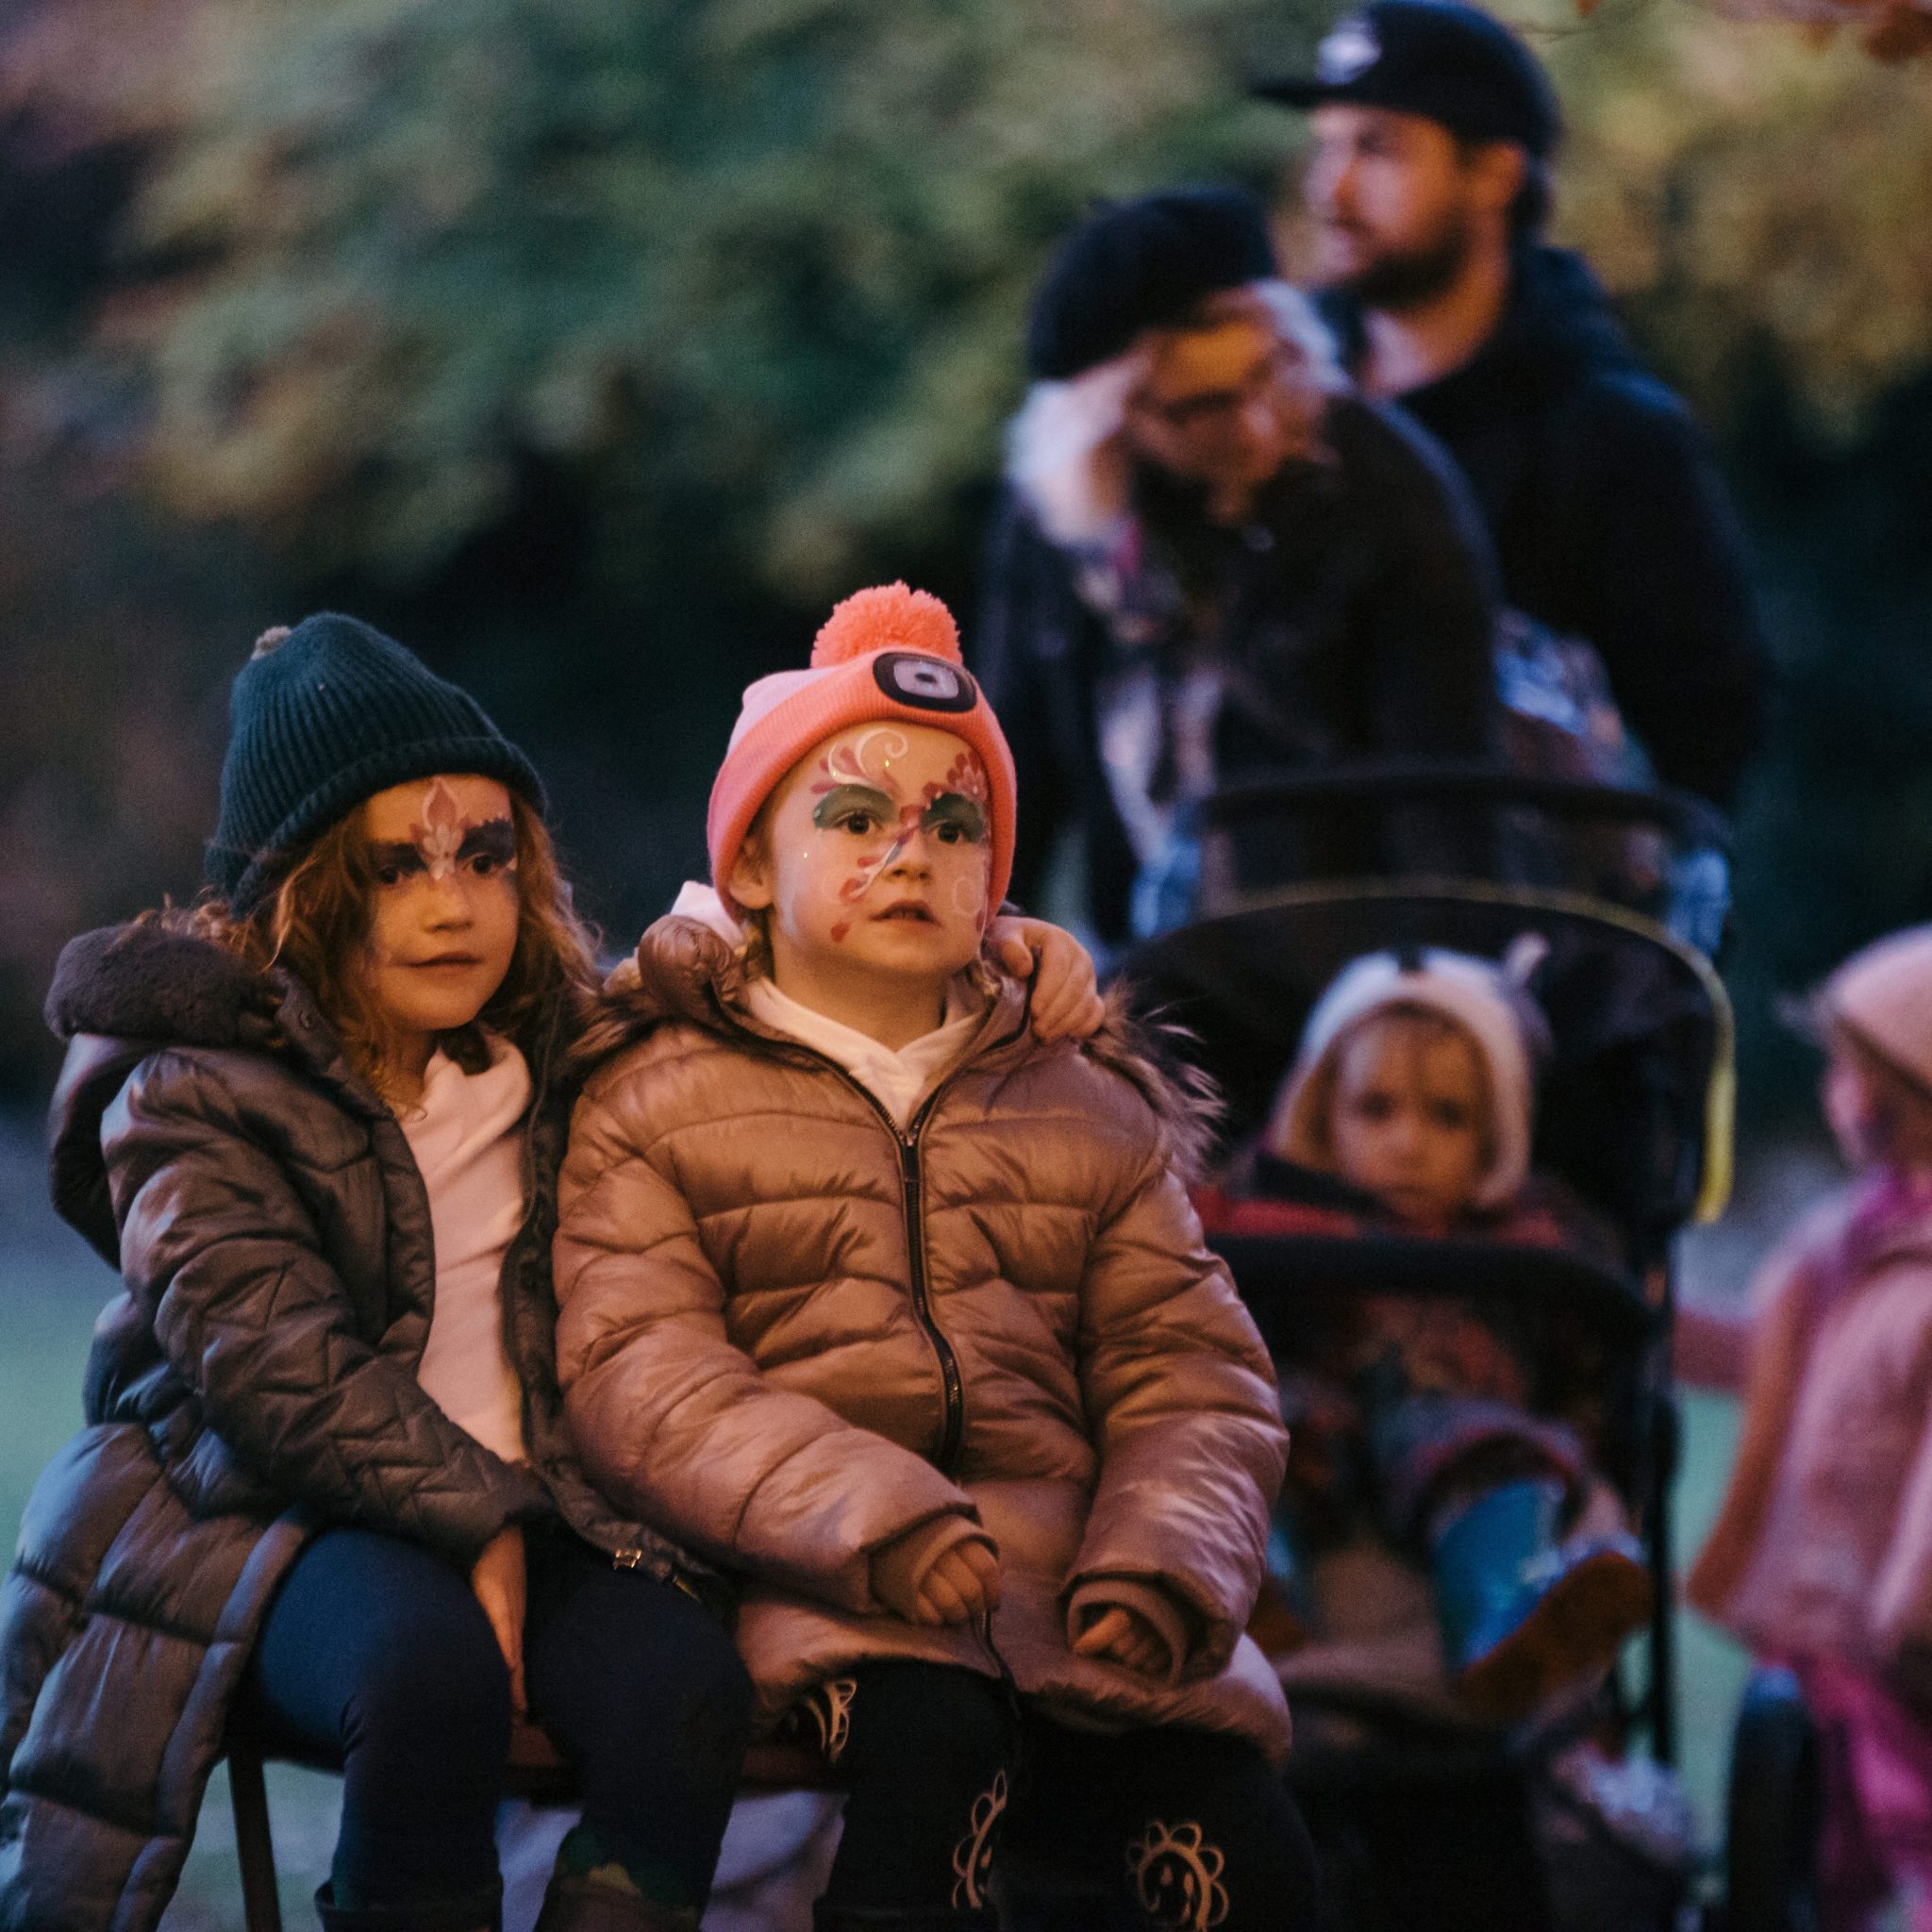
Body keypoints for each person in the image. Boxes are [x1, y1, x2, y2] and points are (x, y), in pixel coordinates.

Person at [0, 609, 1110, 1932]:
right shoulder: (194, 1096)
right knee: (430, 1677)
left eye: (483, 856)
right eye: (392, 868)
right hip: (264, 1519)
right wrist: (487, 1526)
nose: (450, 902)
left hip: (541, 1514)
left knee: (680, 1685)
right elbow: (276, 1369)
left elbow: (762, 964)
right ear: (297, 891)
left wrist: (1003, 955)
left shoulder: (565, 1046)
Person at [554, 583, 1319, 1931]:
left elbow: (1196, 1372)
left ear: (997, 882)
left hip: (1078, 1588)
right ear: (747, 869)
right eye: (853, 818)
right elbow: (643, 1369)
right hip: (826, 1578)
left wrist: (1162, 1561)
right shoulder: (658, 1094)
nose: (910, 853)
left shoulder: (1081, 1103)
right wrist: (871, 1515)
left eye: (954, 826)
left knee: (1238, 1838)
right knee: (937, 1756)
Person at [1258, 0, 1769, 809]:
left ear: (1494, 171)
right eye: (1328, 145)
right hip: (1265, 918)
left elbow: (1701, 745)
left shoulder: (1614, 439)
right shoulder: (1273, 417)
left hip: (1512, 921)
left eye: (1379, 148)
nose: (1332, 186)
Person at [976, 183, 1502, 946]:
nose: (1256, 427)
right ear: (1111, 423)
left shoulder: (1383, 487)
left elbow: (1449, 794)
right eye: (1204, 407)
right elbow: (1011, 786)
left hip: (1353, 975)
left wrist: (1438, 991)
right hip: (1146, 963)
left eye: (1268, 373)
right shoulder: (1059, 530)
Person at [1196, 944, 1651, 1720]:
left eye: (1448, 1117)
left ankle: (1504, 1623)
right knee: (1228, 1431)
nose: (1408, 1143)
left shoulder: (1538, 1236)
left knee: (1496, 1451)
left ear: (1496, 1134)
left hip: (1454, 1444)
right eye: (1377, 1110)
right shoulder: (1258, 1209)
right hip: (1305, 1445)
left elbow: (1591, 1366)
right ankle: (1251, 1605)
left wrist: (1589, 1447)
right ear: (1318, 1109)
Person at [1689, 925, 1932, 1932]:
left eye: (1848, 1067)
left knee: (1906, 1824)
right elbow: (1771, 1367)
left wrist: (1912, 1621)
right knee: (1800, 1851)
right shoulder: (1844, 1238)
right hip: (1812, 1616)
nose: (1834, 1090)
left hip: (1891, 1636)